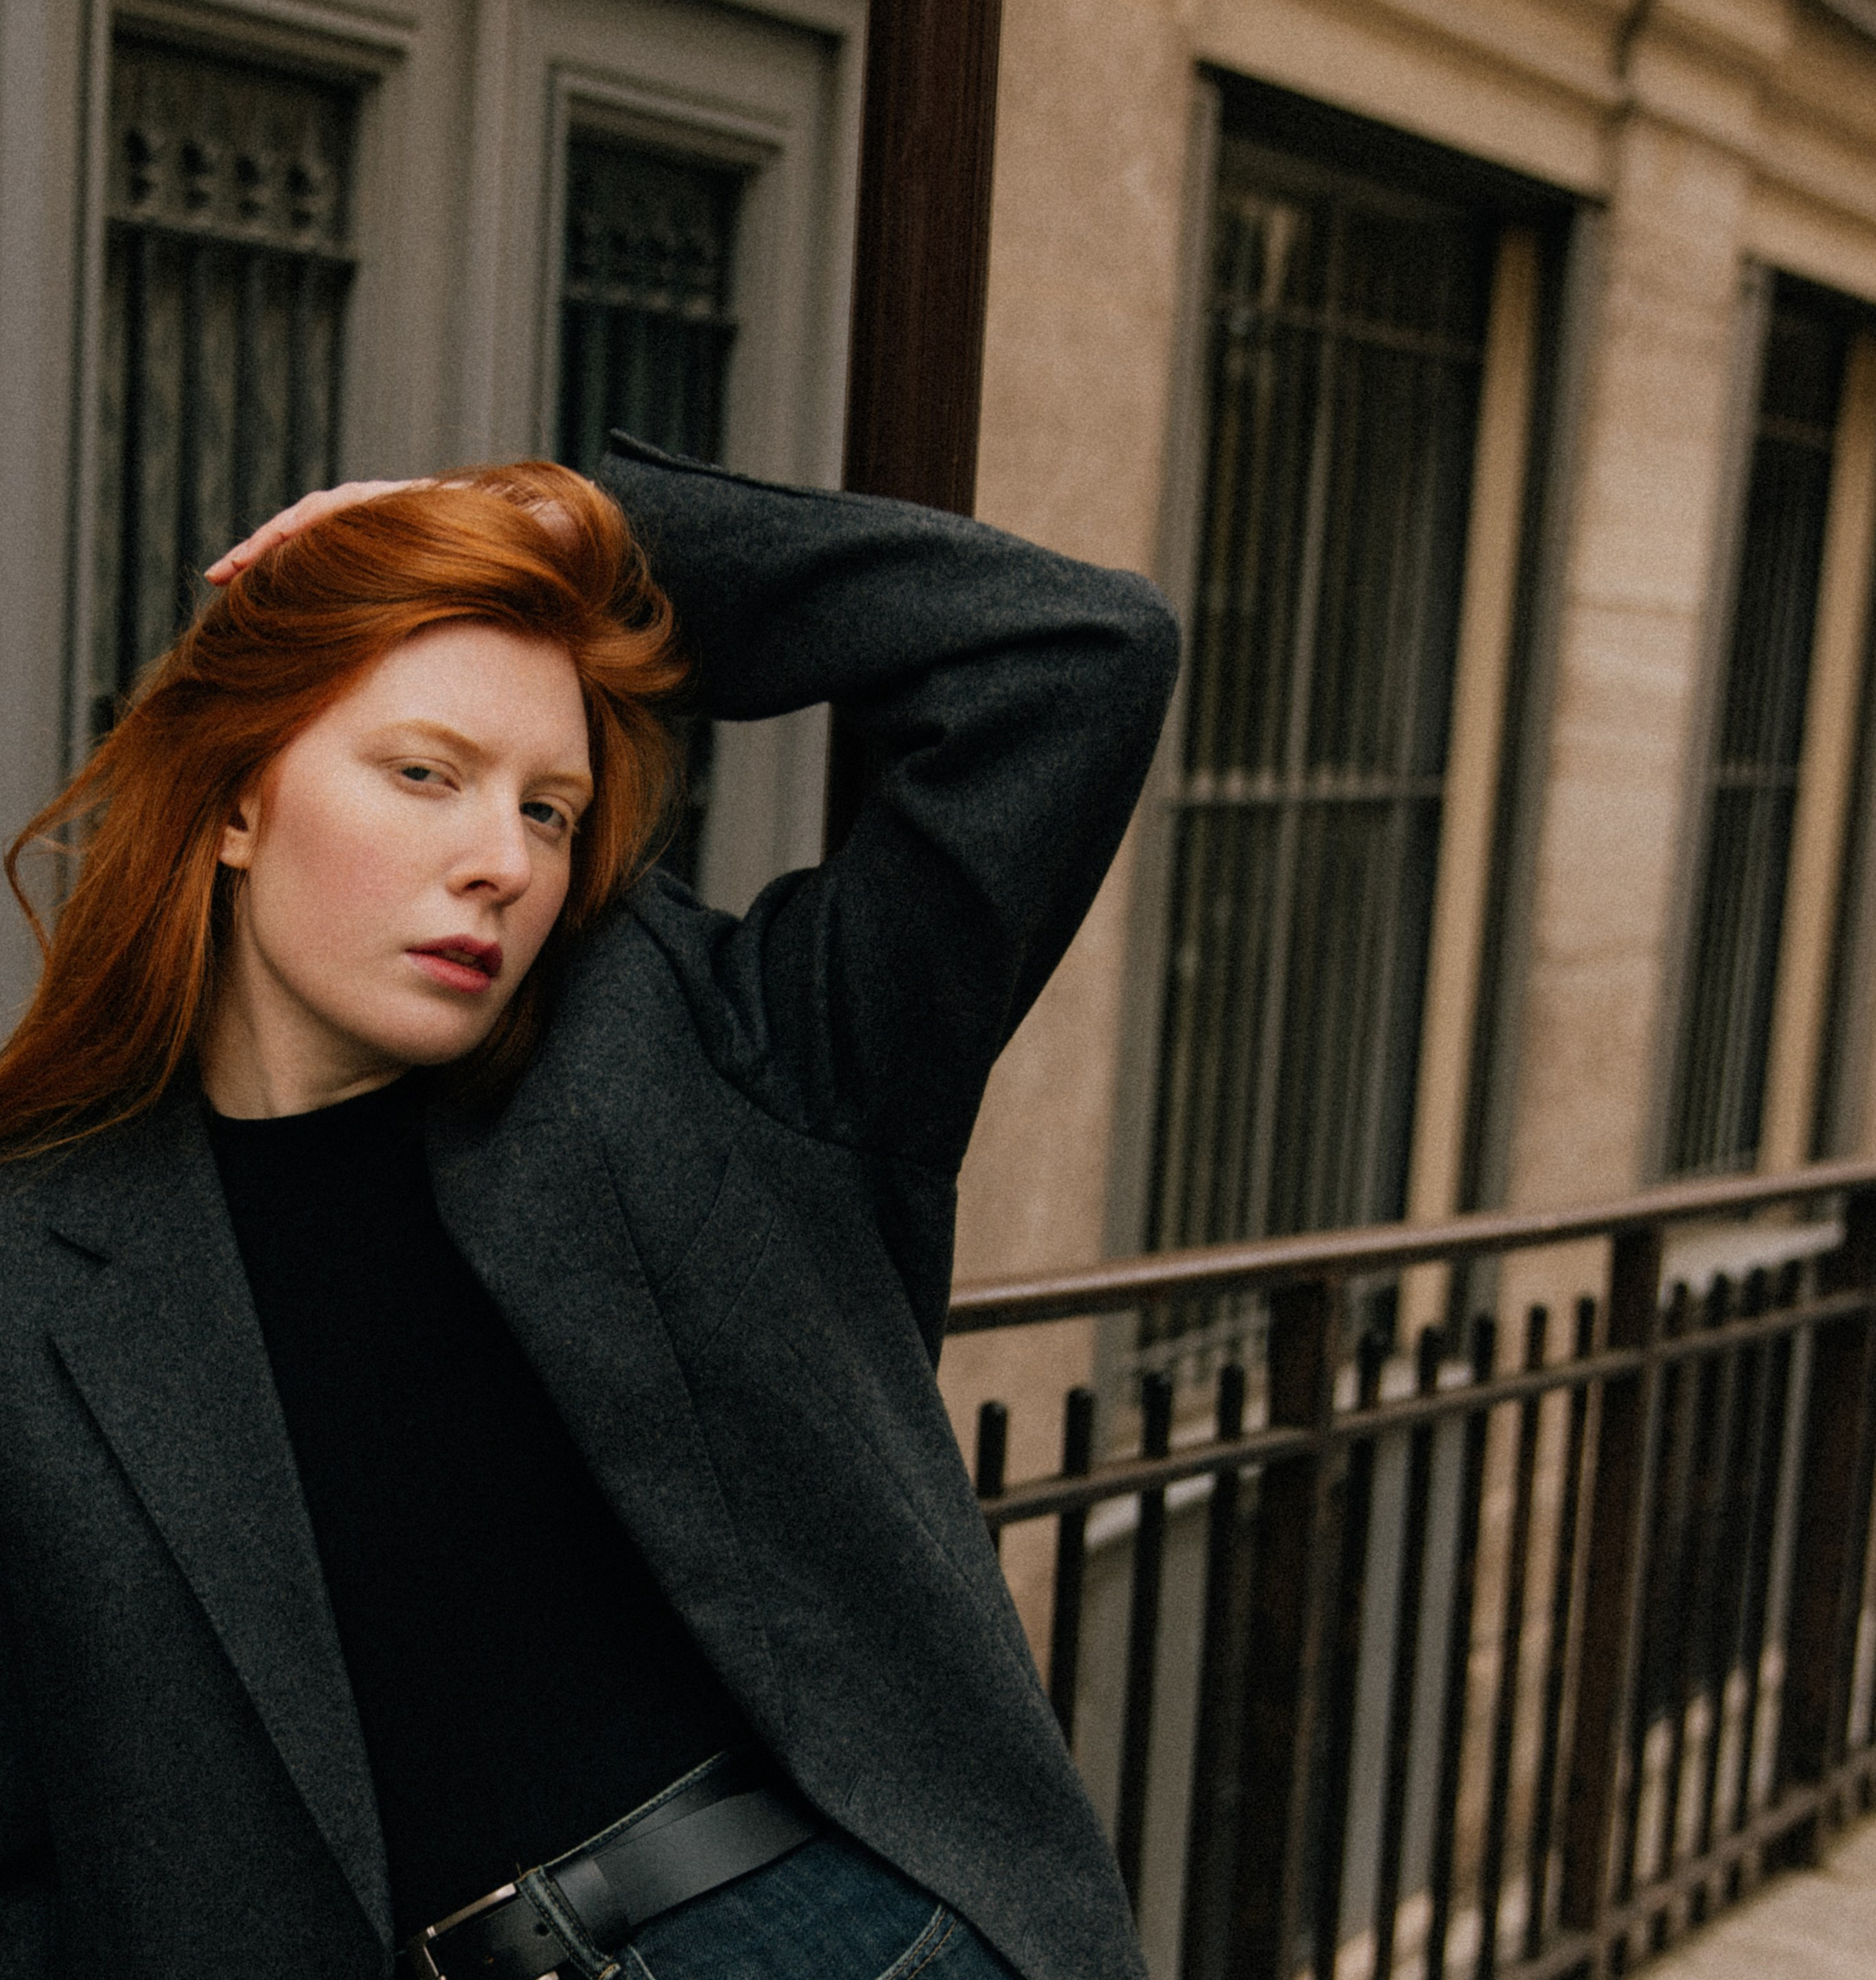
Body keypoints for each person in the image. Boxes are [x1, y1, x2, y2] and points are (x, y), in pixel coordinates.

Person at [0, 432, 1179, 1980]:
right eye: (425, 773)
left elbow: (1077, 654)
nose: (499, 859)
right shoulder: (45, 1258)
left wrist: (597, 531)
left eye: (549, 809)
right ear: (233, 804)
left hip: (824, 1938)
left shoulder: (716, 1063)